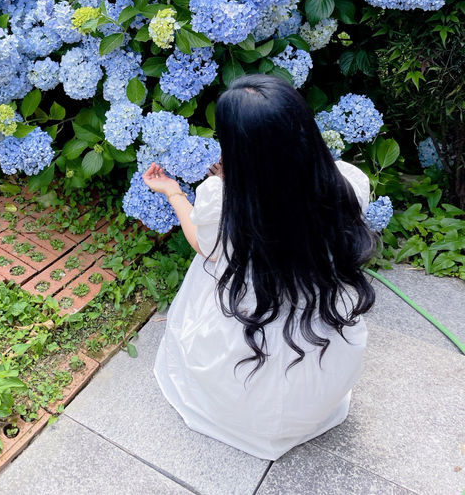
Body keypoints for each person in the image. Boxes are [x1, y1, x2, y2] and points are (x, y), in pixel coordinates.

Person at [142, 74, 376, 460]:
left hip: (248, 328)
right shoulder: (347, 183)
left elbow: (203, 245)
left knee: (212, 266)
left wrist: (174, 192)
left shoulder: (223, 202)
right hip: (313, 332)